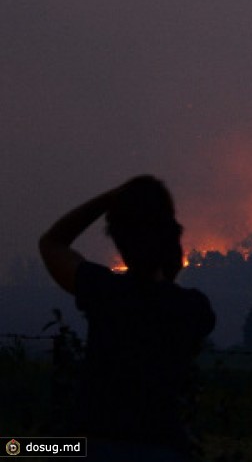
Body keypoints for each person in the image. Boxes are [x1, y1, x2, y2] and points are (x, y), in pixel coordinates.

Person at [39, 176, 215, 461]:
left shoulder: (104, 293)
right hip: (162, 445)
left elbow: (52, 243)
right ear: (173, 242)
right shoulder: (192, 309)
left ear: (120, 242)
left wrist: (112, 198)